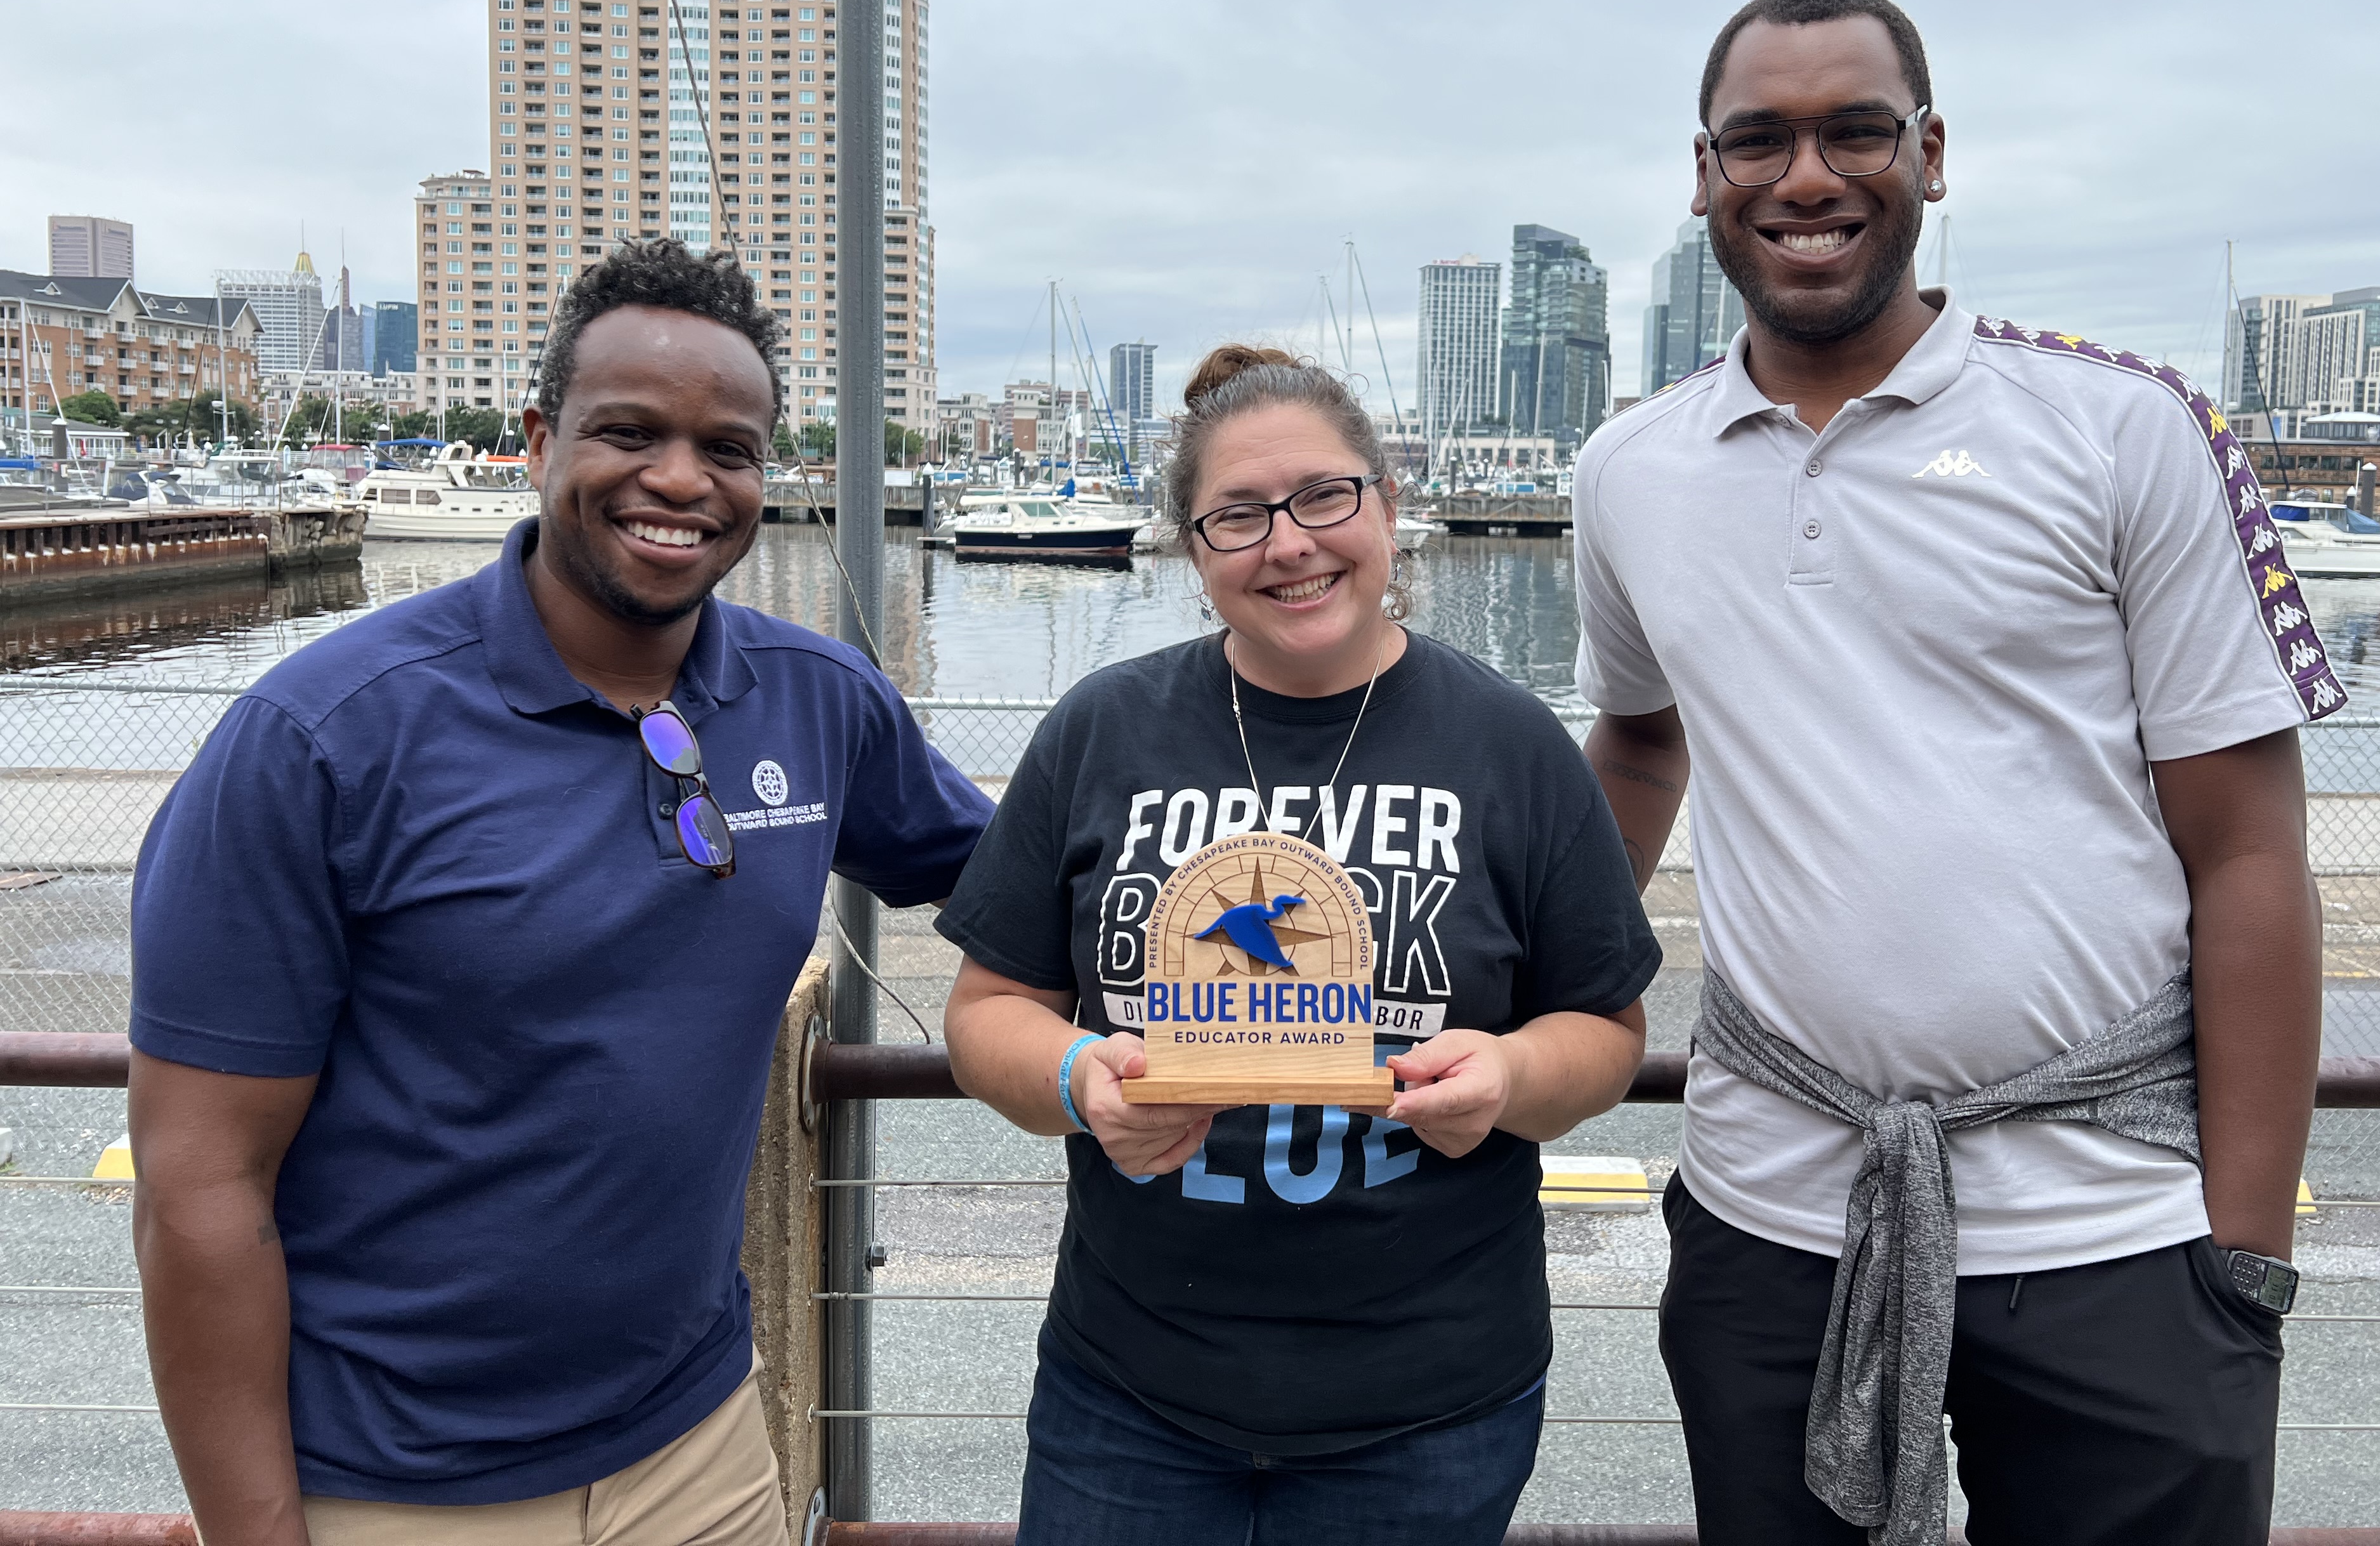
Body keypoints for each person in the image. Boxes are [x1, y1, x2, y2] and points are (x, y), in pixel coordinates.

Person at [1575, 0, 2333, 1546]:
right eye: (1757, 141)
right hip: (1772, 1215)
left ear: (1929, 154)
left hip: (2117, 1231)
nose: (1806, 178)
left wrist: (2241, 1258)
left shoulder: (2124, 431)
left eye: (1855, 131)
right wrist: (1517, 976)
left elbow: (2249, 849)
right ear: (1701, 174)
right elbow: (1640, 742)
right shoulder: (1631, 471)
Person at [128, 242, 993, 1545]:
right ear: (539, 439)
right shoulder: (321, 740)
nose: (682, 482)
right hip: (391, 1482)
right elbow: (198, 1185)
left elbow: (1033, 884)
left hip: (700, 1451)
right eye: (630, 432)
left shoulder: (818, 701)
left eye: (732, 448)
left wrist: (1319, 981)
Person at [938, 348, 1661, 1546]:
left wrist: (1513, 1079)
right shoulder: (1101, 730)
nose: (1290, 543)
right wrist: (1079, 1081)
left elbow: (1607, 1026)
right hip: (1129, 1394)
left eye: (1326, 496)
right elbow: (988, 1007)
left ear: (1386, 503)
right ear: (1192, 545)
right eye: (1237, 516)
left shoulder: (1513, 745)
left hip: (1430, 1405)